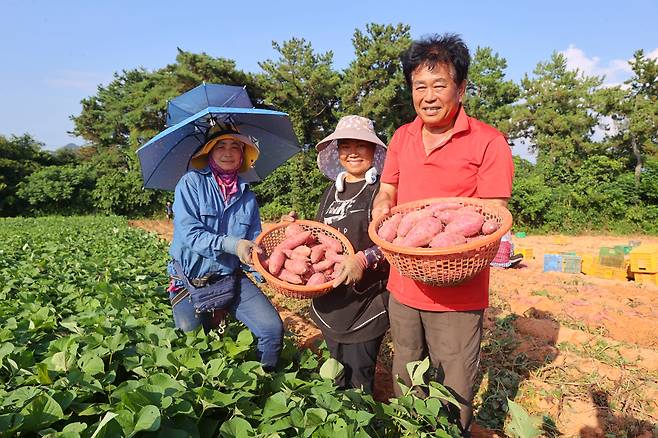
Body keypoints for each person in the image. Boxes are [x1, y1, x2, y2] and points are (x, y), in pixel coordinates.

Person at [372, 34, 514, 435]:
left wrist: (445, 235)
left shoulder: (488, 141)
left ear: (461, 87)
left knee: (453, 382)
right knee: (407, 371)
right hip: (403, 281)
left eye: (439, 85)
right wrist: (382, 208)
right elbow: (388, 190)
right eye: (419, 86)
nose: (428, 96)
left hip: (458, 290)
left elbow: (493, 214)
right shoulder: (401, 137)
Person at [285, 115, 390, 394]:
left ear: (375, 152)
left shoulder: (381, 192)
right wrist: (297, 229)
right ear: (337, 151)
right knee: (334, 370)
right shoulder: (332, 190)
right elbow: (322, 235)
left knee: (359, 376)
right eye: (345, 145)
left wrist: (363, 259)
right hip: (331, 298)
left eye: (362, 145)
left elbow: (393, 244)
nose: (353, 152)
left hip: (366, 300)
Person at [167, 127, 284, 371]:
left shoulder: (247, 197)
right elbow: (190, 234)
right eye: (221, 146)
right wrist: (232, 244)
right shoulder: (191, 183)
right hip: (190, 280)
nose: (228, 152)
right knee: (194, 345)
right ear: (209, 152)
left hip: (229, 277)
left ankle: (261, 385)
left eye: (236, 147)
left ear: (243, 155)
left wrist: (276, 252)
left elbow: (253, 244)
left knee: (271, 329)